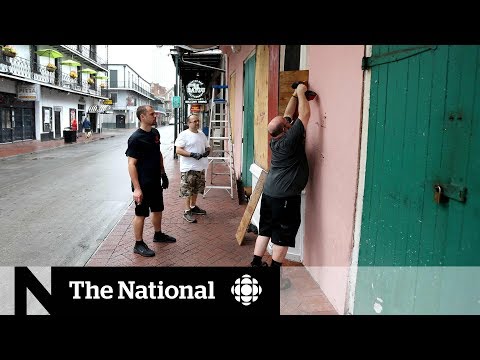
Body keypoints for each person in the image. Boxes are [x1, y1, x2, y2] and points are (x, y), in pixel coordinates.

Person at [250, 83, 311, 290]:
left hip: (269, 193)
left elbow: (288, 114)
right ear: (286, 129)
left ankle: (256, 265)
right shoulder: (290, 140)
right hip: (284, 197)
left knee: (264, 230)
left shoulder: (275, 139)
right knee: (282, 236)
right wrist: (302, 93)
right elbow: (304, 115)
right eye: (287, 124)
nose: (288, 122)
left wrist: (294, 94)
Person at [125, 105, 176, 257]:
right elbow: (131, 164)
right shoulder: (135, 138)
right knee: (141, 213)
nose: (155, 116)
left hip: (155, 180)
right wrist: (137, 188)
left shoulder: (155, 133)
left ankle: (158, 234)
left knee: (158, 209)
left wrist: (163, 173)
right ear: (142, 117)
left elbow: (158, 153)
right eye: (152, 114)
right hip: (142, 183)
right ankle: (138, 243)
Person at [174, 114, 211, 223]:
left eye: (198, 121)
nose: (197, 123)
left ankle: (193, 206)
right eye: (194, 121)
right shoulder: (184, 135)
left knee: (196, 189)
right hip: (188, 168)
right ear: (188, 123)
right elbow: (178, 150)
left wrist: (207, 151)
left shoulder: (201, 134)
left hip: (200, 167)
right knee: (188, 190)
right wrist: (192, 154)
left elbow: (207, 146)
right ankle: (187, 211)